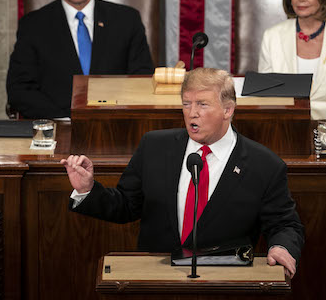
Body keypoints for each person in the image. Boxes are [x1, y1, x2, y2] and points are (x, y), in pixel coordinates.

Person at [61, 68, 304, 279]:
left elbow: (285, 224)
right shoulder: (155, 146)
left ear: (228, 110)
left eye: (202, 104)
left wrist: (282, 247)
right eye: (186, 104)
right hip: (156, 278)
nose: (192, 113)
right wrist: (87, 190)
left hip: (226, 281)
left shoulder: (264, 164)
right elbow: (126, 205)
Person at [6, 0, 154, 119]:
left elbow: (142, 79)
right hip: (56, 126)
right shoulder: (33, 26)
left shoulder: (127, 20)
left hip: (115, 124)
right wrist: (63, 119)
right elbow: (20, 89)